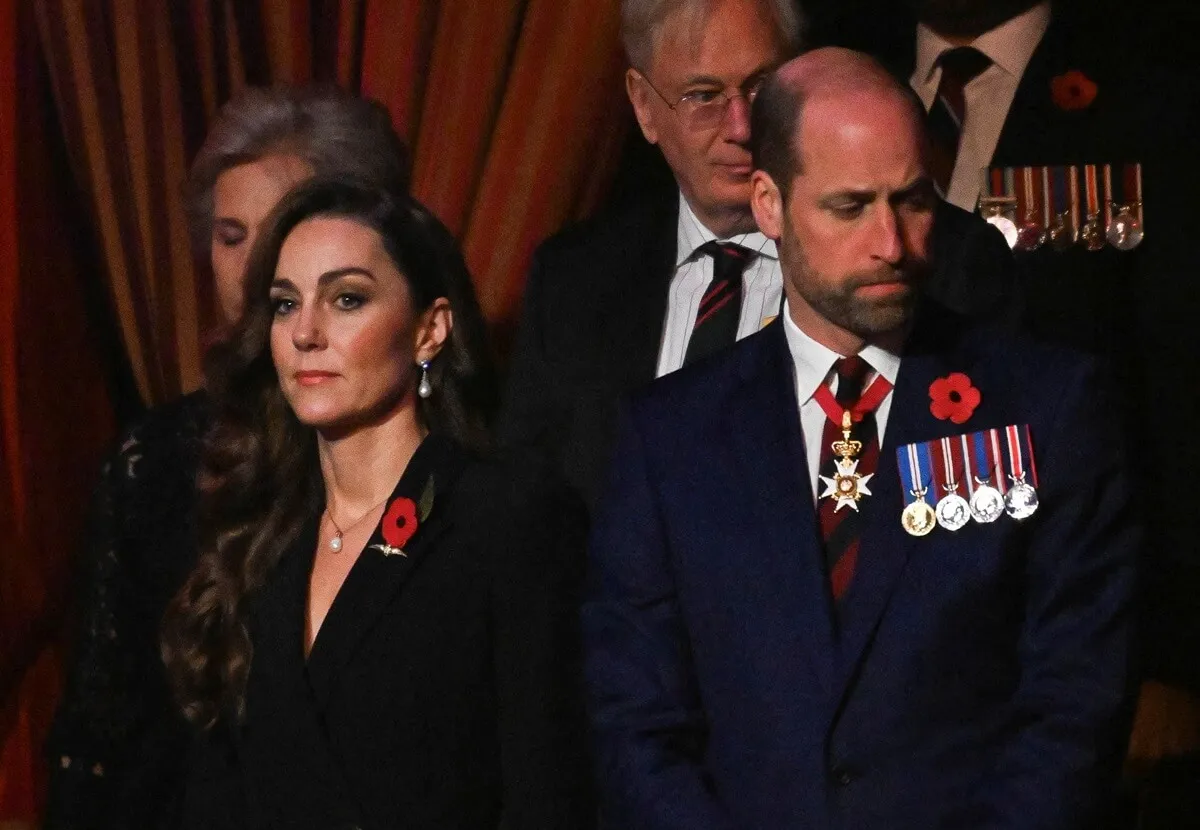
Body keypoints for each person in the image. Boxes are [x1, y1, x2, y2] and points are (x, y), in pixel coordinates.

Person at [583, 48, 1137, 829]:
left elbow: (1074, 702)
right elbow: (635, 718)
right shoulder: (670, 437)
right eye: (849, 207)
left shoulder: (1046, 406)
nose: (892, 243)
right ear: (770, 205)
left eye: (912, 201)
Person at [822, 1, 1200, 820]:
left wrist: (1171, 657)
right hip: (875, 629)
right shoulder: (838, 68)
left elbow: (1176, 396)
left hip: (1070, 620)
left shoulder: (1151, 90)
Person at [161, 177, 592, 829]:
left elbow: (548, 792)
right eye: (284, 305)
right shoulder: (258, 531)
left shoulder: (504, 516)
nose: (306, 332)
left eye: (347, 299)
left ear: (430, 331)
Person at [44, 85, 410, 830]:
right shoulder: (155, 463)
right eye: (230, 235)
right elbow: (101, 737)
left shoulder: (441, 468)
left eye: (280, 231)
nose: (247, 271)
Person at [499, 0, 1019, 513]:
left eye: (761, 87)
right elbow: (530, 517)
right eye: (703, 96)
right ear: (643, 106)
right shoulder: (576, 278)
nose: (743, 126)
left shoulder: (934, 258)